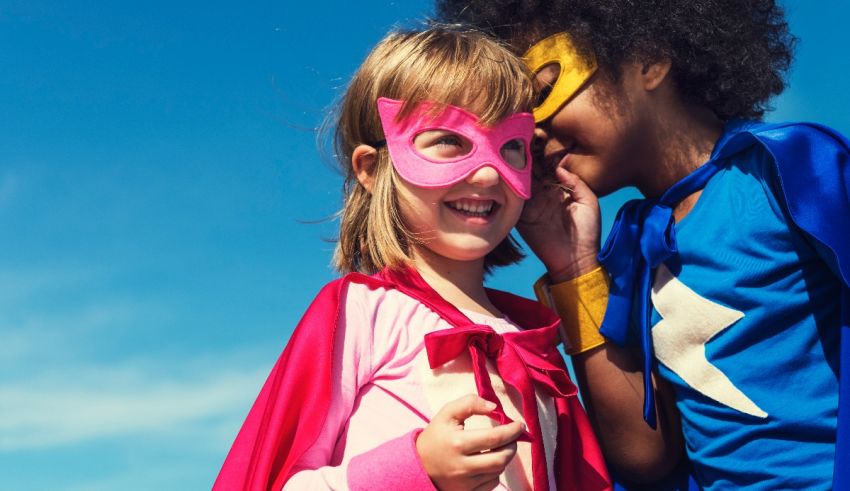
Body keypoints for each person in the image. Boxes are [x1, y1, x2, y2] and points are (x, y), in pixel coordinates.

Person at [435, 1, 850, 489]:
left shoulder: (793, 167)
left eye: (545, 93)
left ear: (649, 59)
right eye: (521, 122)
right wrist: (574, 269)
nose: (536, 133)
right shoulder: (630, 245)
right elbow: (644, 457)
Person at [212, 26, 611, 490]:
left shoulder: (534, 340)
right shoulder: (364, 313)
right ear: (372, 167)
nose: (486, 172)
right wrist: (416, 468)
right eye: (448, 140)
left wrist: (573, 264)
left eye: (510, 147)